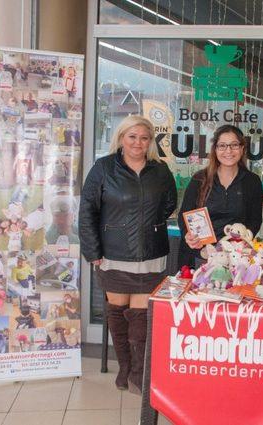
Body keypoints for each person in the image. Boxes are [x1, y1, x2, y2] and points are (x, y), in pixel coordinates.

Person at [79, 115, 177, 394]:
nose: (138, 143)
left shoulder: (161, 170)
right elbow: (87, 211)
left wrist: (149, 224)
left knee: (141, 317)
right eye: (132, 137)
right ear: (121, 138)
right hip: (113, 254)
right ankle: (125, 367)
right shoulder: (103, 168)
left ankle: (137, 372)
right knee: (118, 314)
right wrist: (93, 250)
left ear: (150, 142)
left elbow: (170, 204)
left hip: (151, 254)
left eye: (144, 138)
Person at [177, 124, 263, 268]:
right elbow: (184, 216)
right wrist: (189, 236)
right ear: (215, 150)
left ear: (242, 148)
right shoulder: (200, 179)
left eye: (234, 145)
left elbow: (255, 220)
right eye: (222, 145)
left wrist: (241, 241)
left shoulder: (252, 181)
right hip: (201, 257)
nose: (228, 151)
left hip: (236, 258)